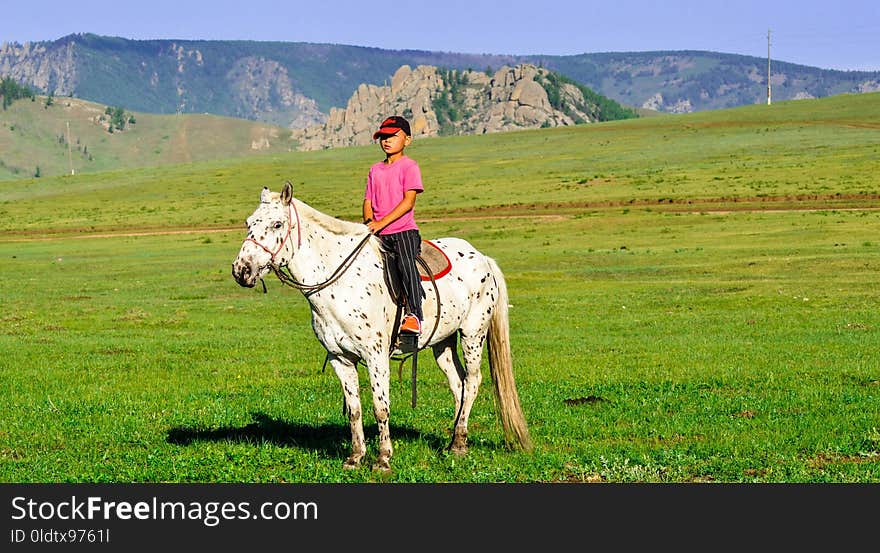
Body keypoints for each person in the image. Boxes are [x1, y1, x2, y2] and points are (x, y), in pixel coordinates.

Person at [363, 115, 425, 335]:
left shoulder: (409, 166)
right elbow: (368, 201)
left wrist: (381, 223)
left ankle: (415, 315)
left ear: (407, 140)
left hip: (403, 231)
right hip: (377, 232)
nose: (386, 141)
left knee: (406, 265)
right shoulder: (375, 170)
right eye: (383, 137)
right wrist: (370, 222)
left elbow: (408, 202)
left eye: (392, 136)